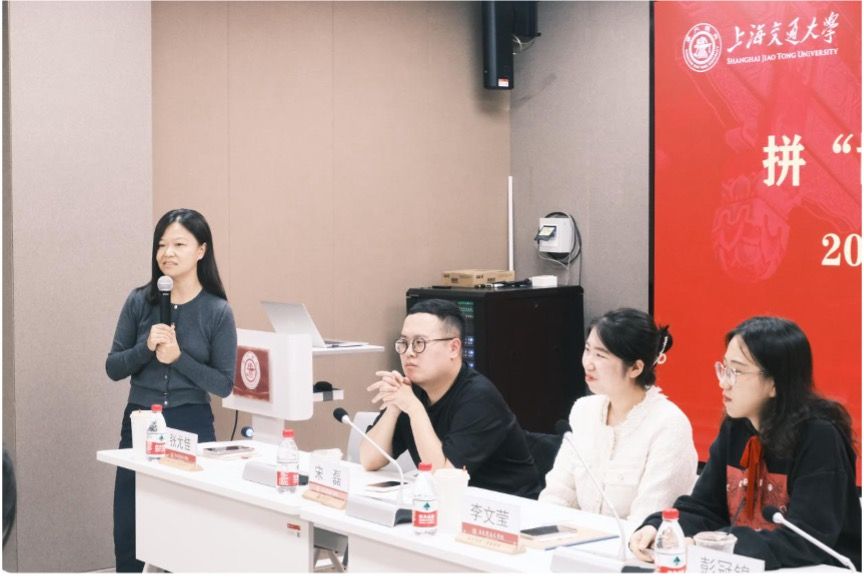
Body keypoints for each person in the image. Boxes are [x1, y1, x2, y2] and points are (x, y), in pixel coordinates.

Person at [630, 316, 861, 571]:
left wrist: (711, 545)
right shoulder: (737, 426)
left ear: (775, 383)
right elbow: (705, 508)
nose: (723, 382)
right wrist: (661, 528)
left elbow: (806, 540)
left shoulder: (819, 437)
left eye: (737, 372)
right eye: (724, 368)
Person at [106, 209, 237, 572]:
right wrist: (145, 348)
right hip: (140, 421)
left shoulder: (218, 311)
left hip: (190, 422)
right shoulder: (139, 301)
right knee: (130, 523)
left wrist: (179, 358)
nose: (168, 253)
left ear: (201, 251)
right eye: (162, 245)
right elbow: (113, 367)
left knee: (189, 528)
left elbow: (223, 384)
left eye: (179, 244)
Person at [360, 298, 541, 498]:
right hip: (452, 504)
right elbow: (369, 459)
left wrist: (414, 408)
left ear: (453, 348)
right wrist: (394, 407)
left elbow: (443, 479)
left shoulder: (479, 398)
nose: (409, 352)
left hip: (505, 508)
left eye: (419, 343)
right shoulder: (412, 390)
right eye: (404, 343)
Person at [539, 308, 697, 521]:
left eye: (600, 355)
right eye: (587, 350)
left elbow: (648, 519)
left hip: (636, 540)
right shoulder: (584, 410)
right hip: (579, 537)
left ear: (635, 368)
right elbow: (558, 493)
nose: (588, 363)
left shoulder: (669, 425)